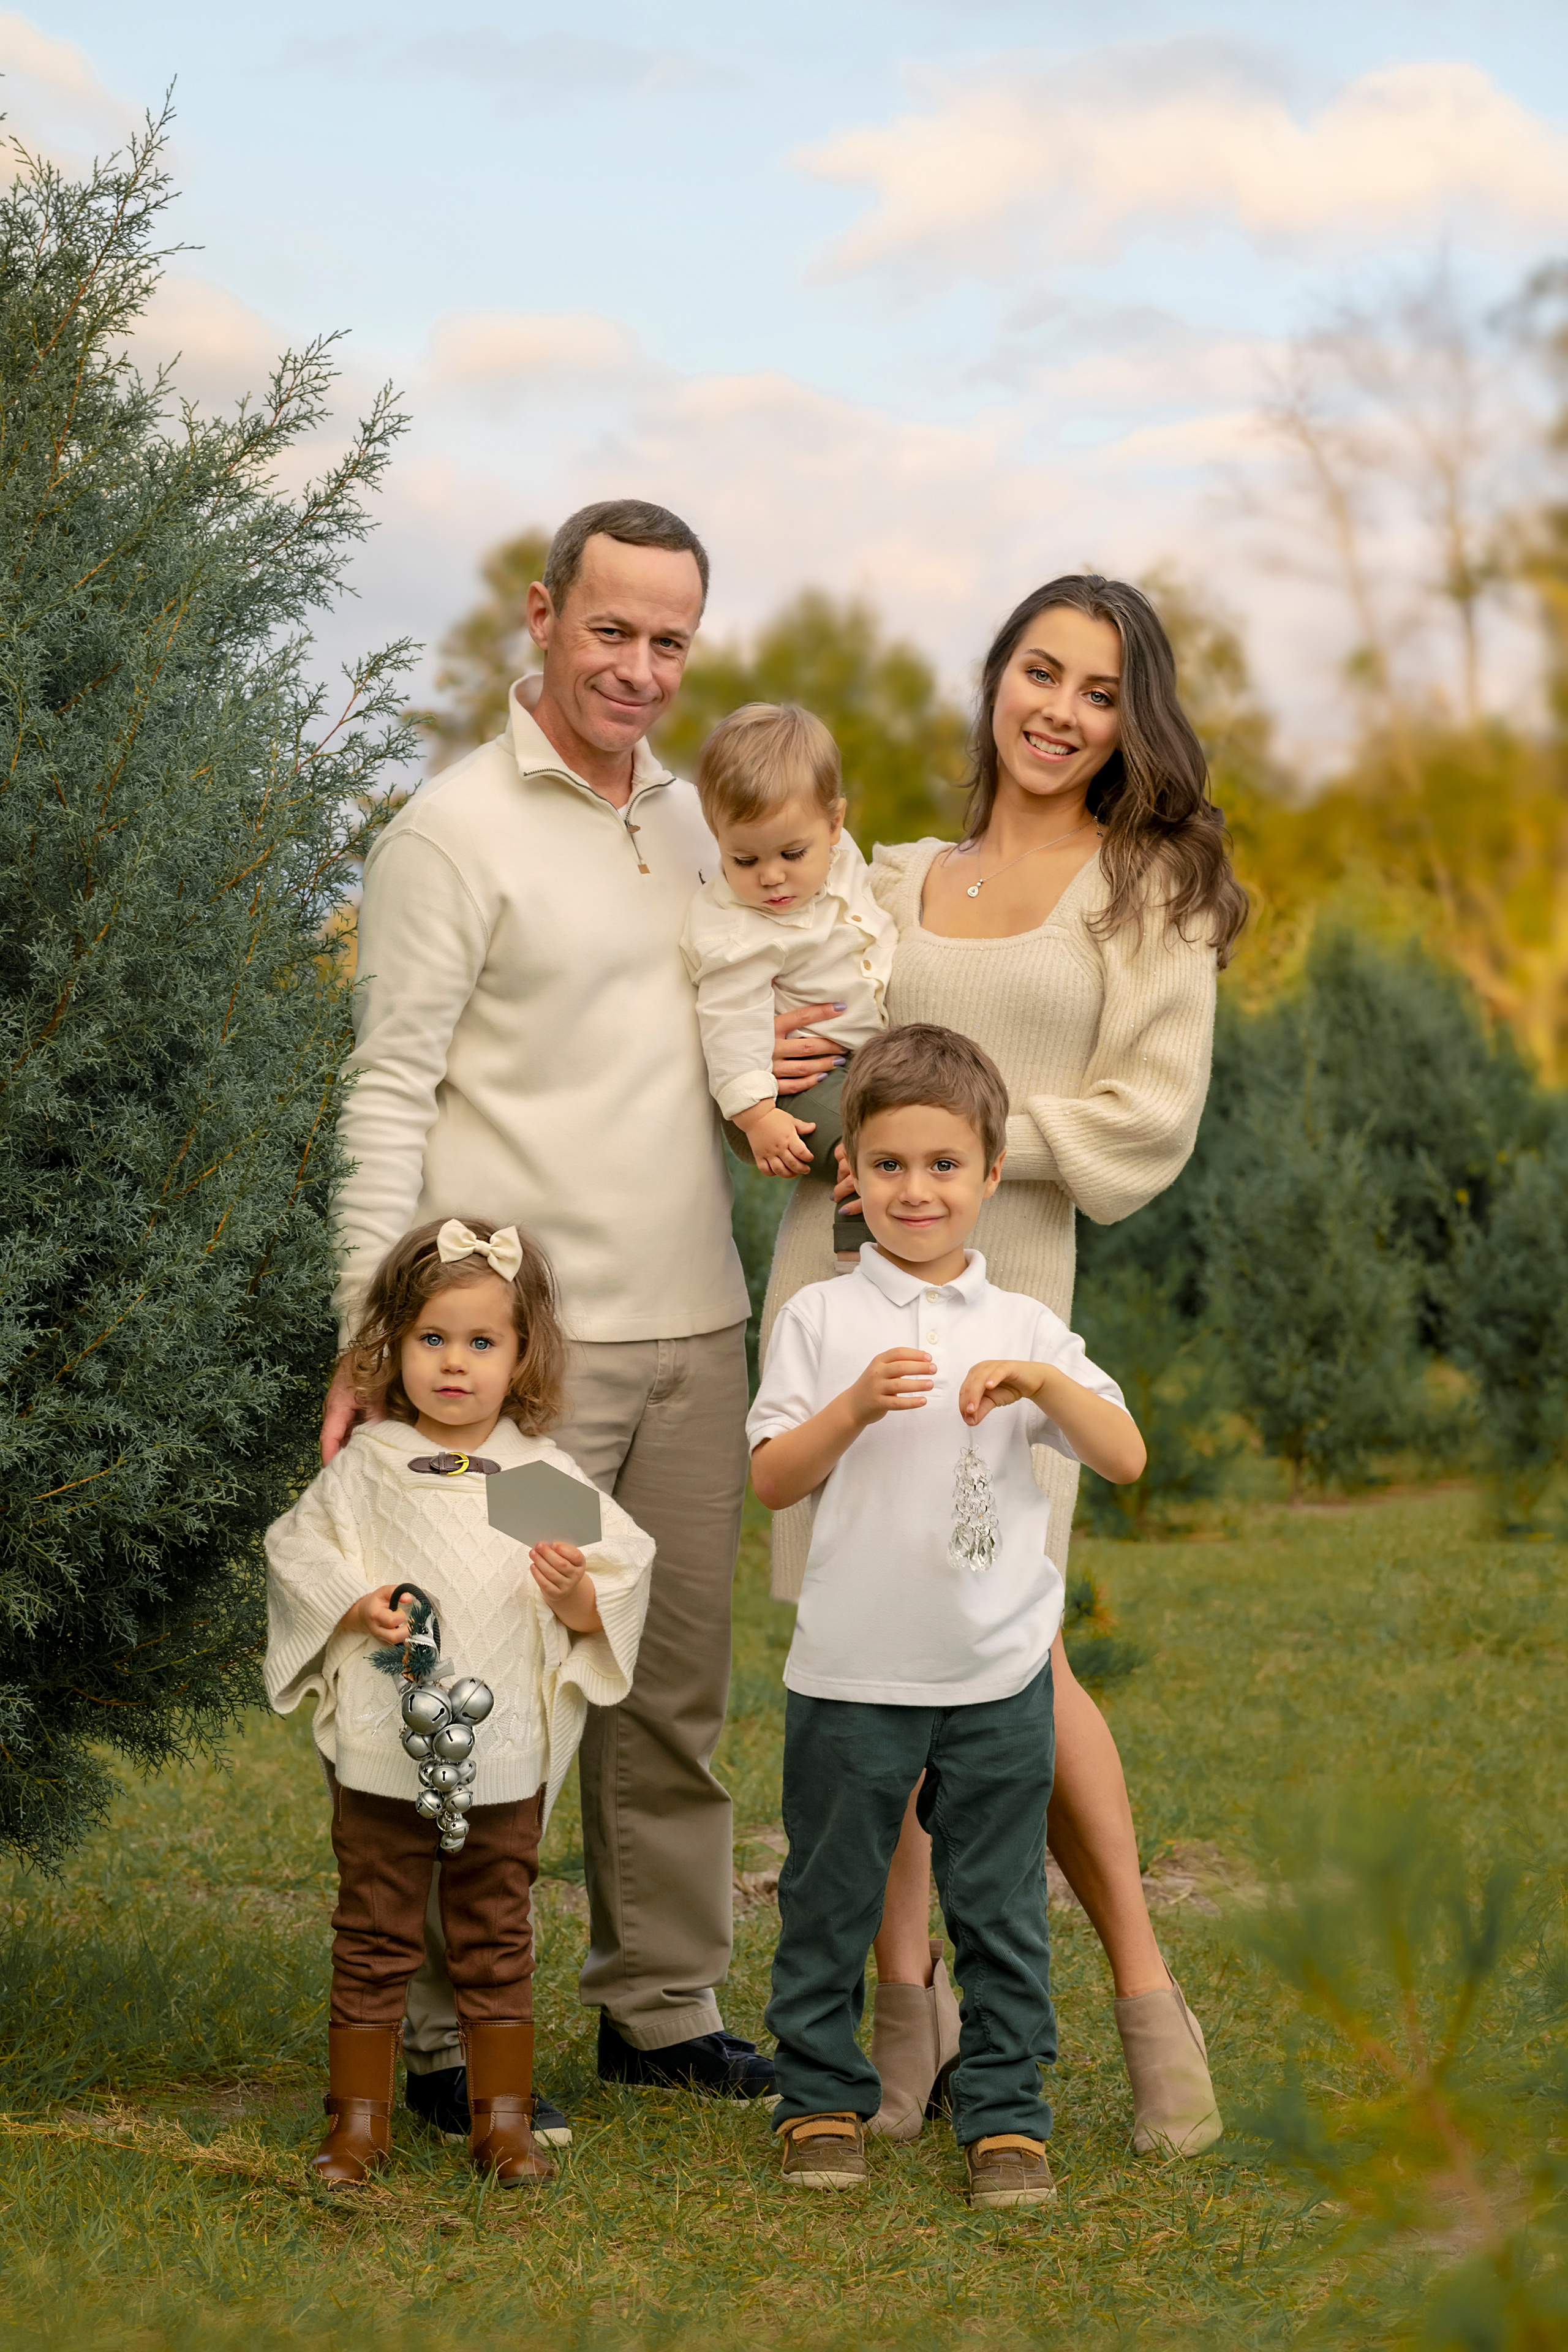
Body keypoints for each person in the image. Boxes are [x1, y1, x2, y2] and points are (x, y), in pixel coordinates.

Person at [763, 574, 1247, 2155]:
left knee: (1015, 1656)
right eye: (1040, 671)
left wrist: (967, 1152)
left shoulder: (1146, 890)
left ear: (1130, 722)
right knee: (877, 1649)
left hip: (1009, 1294)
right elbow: (800, 1017)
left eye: (1099, 692)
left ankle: (1147, 2001)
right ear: (997, 680)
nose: (1059, 709)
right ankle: (908, 2013)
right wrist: (778, 1067)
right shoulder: (895, 877)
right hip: (844, 1283)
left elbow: (1145, 1121)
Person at [321, 499, 774, 2132]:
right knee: (492, 1685)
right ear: (540, 615)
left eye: (669, 640)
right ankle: (441, 2035)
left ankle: (660, 2010)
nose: (639, 668)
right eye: (611, 630)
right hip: (520, 1372)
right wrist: (376, 1341)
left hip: (697, 1331)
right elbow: (388, 1086)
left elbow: (745, 1014)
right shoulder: (451, 831)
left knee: (670, 1689)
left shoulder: (701, 824)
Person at [749, 1026, 1145, 2206]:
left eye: (942, 1166)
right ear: (851, 1178)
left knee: (1002, 1909)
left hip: (997, 1674)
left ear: (989, 1170)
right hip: (852, 1674)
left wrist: (1047, 1387)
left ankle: (1007, 2116)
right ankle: (821, 2103)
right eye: (889, 1167)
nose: (915, 1191)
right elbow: (773, 1480)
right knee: (826, 1903)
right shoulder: (823, 1320)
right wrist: (855, 1408)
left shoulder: (1022, 1327)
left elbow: (1122, 1456)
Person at [266, 1216, 656, 2188]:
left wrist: (575, 1594)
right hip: (386, 1746)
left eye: (482, 1343)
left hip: (502, 1747)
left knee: (496, 1931)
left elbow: (622, 1561)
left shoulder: (526, 1479)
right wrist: (353, 1604)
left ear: (522, 1354)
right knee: (375, 1930)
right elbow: (298, 1549)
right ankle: (355, 2126)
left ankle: (503, 2123)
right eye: (432, 1339)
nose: (455, 1364)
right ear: (392, 1348)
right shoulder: (374, 1468)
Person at [679, 701, 895, 1254]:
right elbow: (729, 1024)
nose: (771, 877)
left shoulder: (838, 854)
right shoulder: (737, 930)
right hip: (799, 1086)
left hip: (861, 1060)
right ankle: (862, 1259)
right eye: (744, 861)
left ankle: (890, 1252)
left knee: (906, 1126)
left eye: (792, 853)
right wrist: (757, 1118)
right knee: (872, 1146)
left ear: (836, 825)